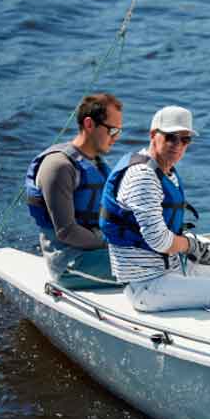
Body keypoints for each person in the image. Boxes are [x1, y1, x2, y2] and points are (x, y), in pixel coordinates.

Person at [100, 105, 210, 312]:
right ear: (153, 135)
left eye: (185, 139)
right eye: (171, 137)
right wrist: (192, 246)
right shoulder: (143, 176)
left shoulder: (167, 172)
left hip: (170, 273)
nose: (178, 145)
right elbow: (159, 240)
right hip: (147, 285)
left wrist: (192, 247)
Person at [25, 93, 123, 289]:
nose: (116, 138)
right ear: (89, 124)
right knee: (154, 266)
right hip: (71, 263)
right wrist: (112, 243)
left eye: (119, 131)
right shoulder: (59, 166)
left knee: (167, 256)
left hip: (97, 253)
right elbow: (66, 231)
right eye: (112, 130)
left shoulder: (95, 163)